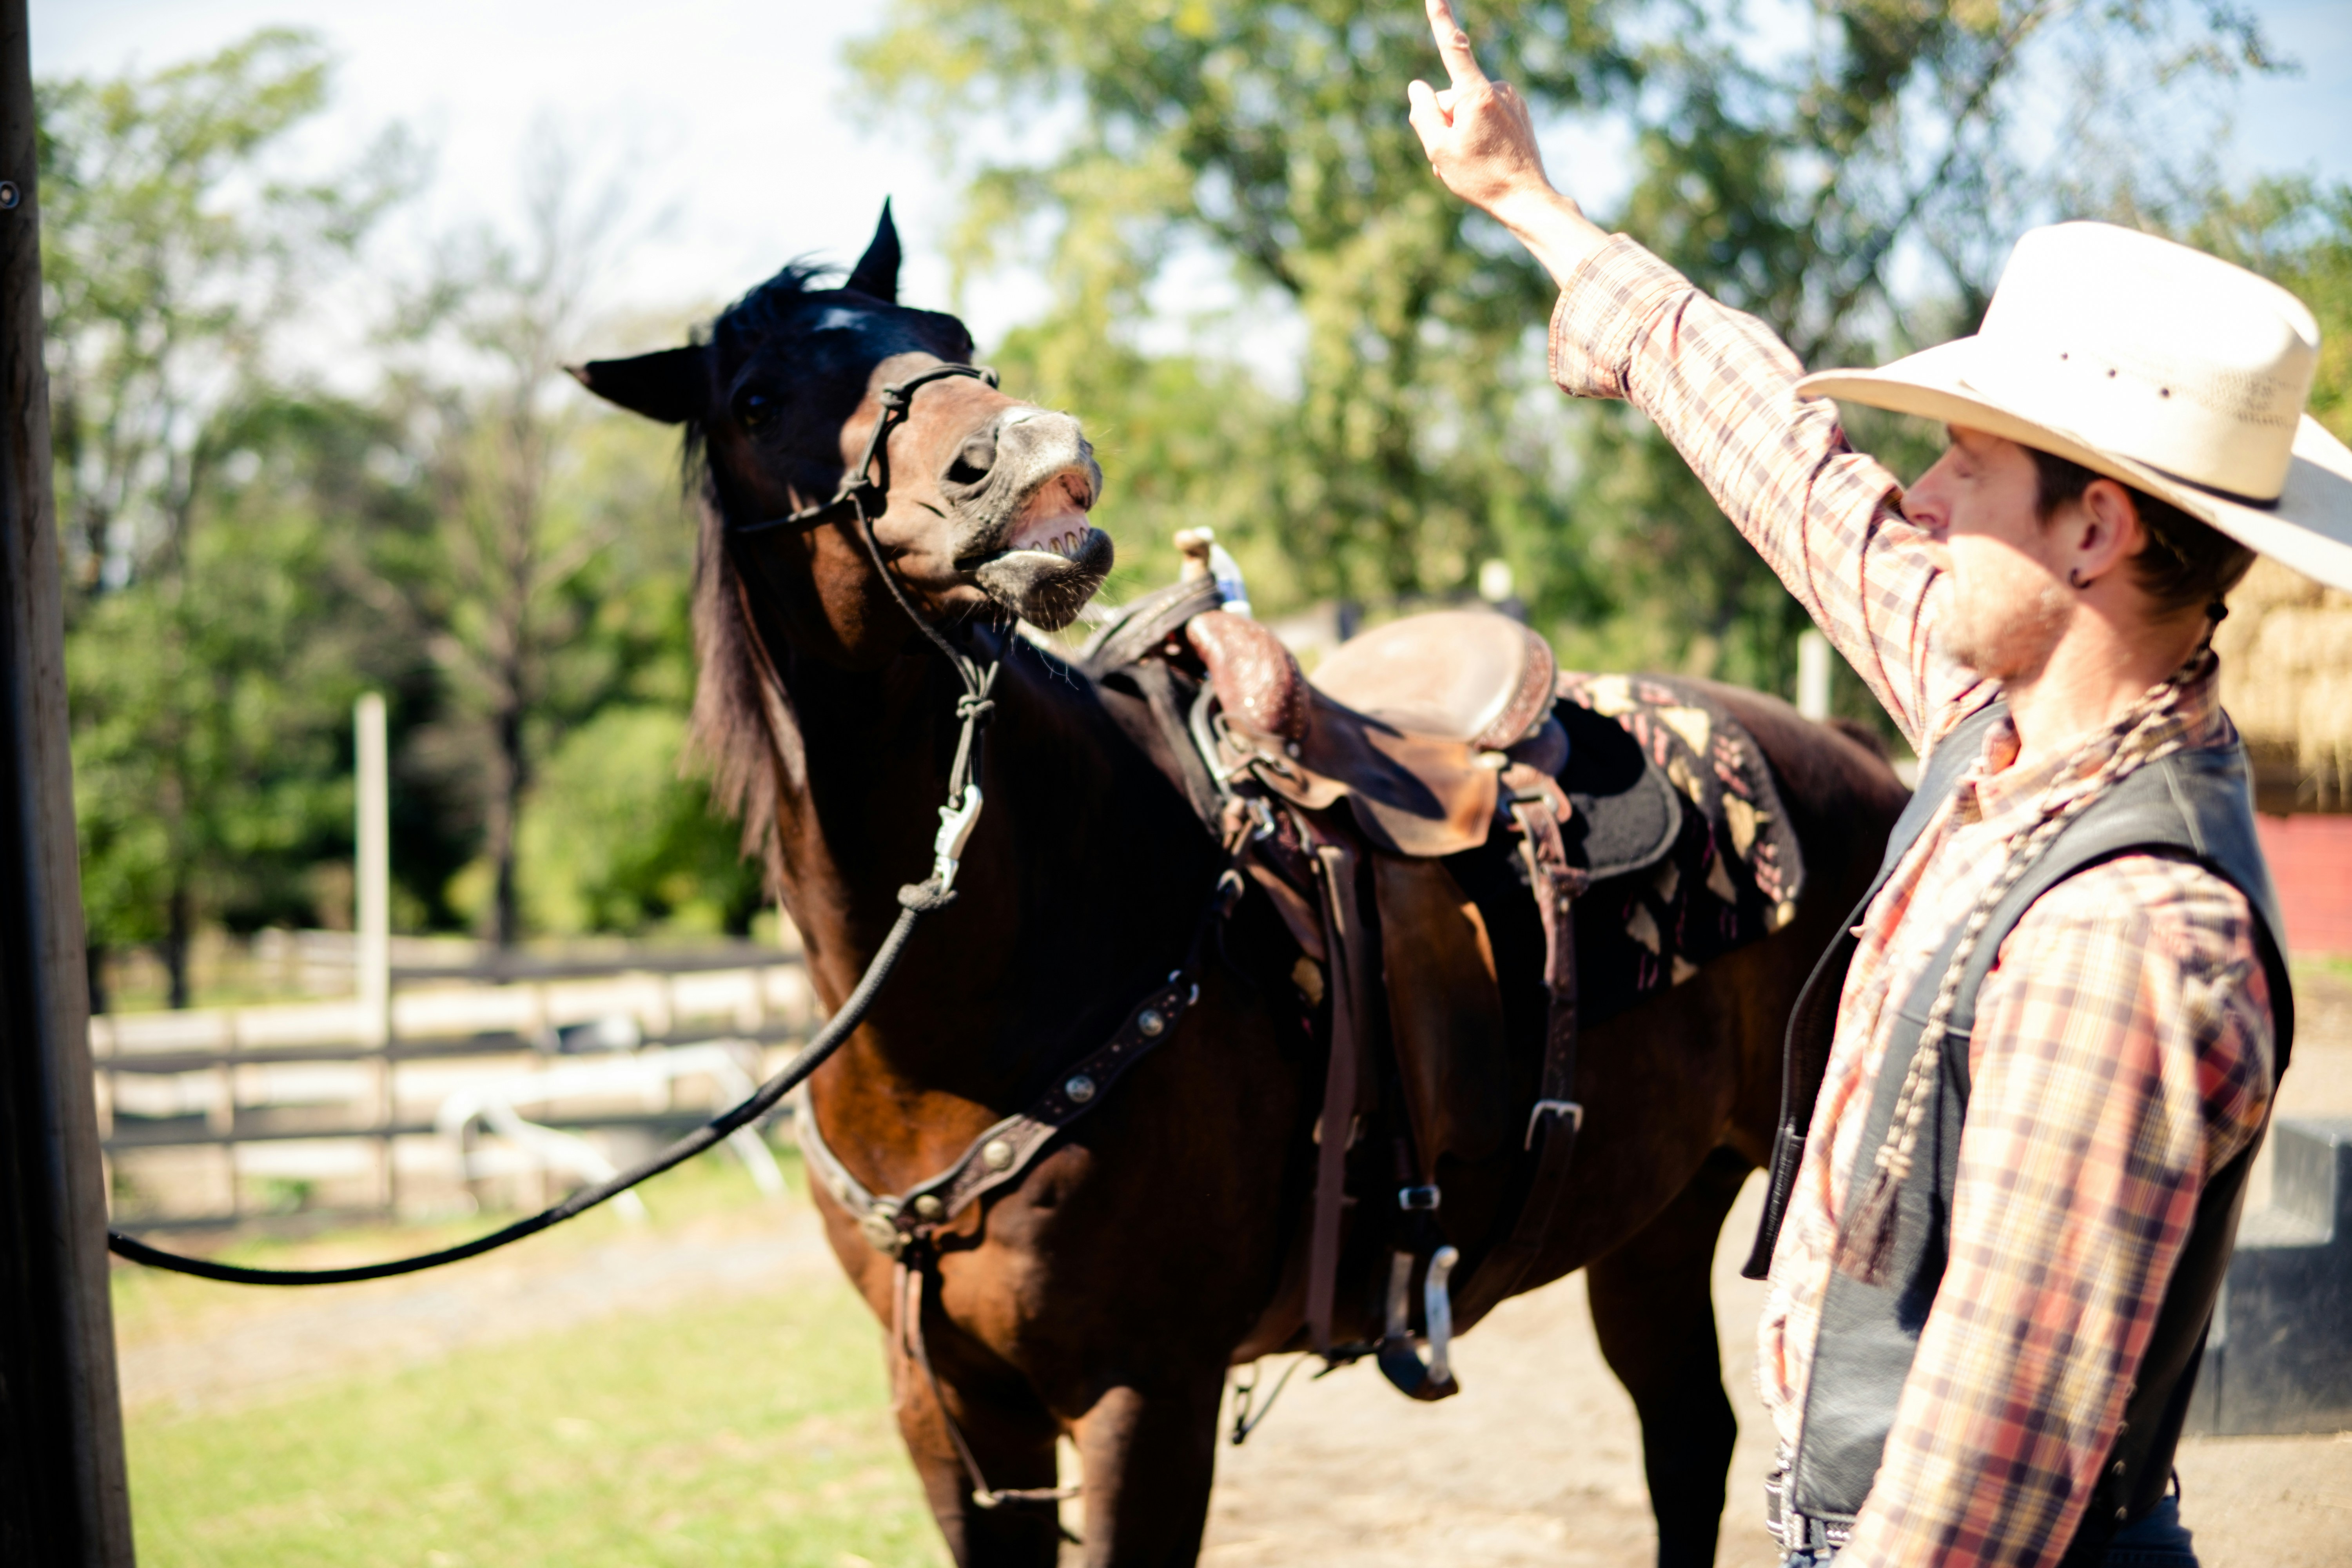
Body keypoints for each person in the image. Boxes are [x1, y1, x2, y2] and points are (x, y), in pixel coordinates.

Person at [1403, 2, 2352, 1564]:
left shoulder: (2127, 940)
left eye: (1965, 466)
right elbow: (1793, 465)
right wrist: (1529, 203)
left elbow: (1977, 1486)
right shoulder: (2006, 710)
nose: (1915, 493)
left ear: (2093, 532)